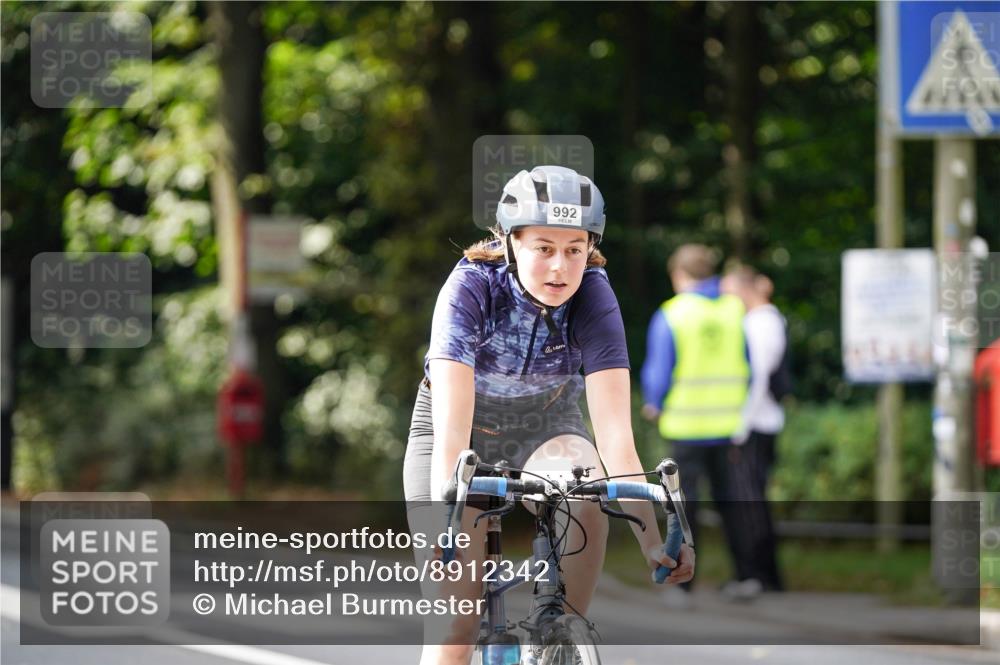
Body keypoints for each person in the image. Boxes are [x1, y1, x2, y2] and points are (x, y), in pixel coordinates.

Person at [403, 165, 695, 665]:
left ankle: (560, 637)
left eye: (574, 250)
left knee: (585, 490)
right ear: (511, 241)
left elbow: (615, 437)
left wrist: (653, 543)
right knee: (455, 623)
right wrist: (445, 523)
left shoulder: (594, 294)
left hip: (546, 424)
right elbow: (453, 429)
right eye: (544, 248)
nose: (560, 267)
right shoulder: (471, 287)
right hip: (459, 429)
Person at [640, 243, 749, 606]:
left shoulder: (673, 313)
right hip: (730, 425)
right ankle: (745, 578)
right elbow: (749, 360)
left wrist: (653, 403)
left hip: (685, 428)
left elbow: (659, 370)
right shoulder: (735, 310)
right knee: (733, 504)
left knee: (683, 508)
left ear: (679, 275)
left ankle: (683, 586)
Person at [721, 266, 788, 594]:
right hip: (754, 424)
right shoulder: (759, 321)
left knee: (748, 503)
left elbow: (758, 378)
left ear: (744, 290)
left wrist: (739, 428)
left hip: (755, 425)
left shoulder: (761, 323)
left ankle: (759, 576)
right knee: (748, 502)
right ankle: (760, 576)